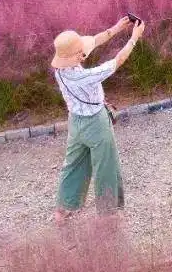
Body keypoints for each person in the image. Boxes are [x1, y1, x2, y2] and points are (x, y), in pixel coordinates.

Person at [50, 16, 145, 224]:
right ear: (76, 56)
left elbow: (93, 41)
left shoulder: (60, 71)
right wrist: (133, 38)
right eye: (80, 52)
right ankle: (108, 213)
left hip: (75, 123)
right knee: (105, 165)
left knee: (72, 164)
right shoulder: (83, 77)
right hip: (95, 123)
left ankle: (62, 210)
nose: (84, 52)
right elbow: (117, 61)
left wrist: (117, 27)